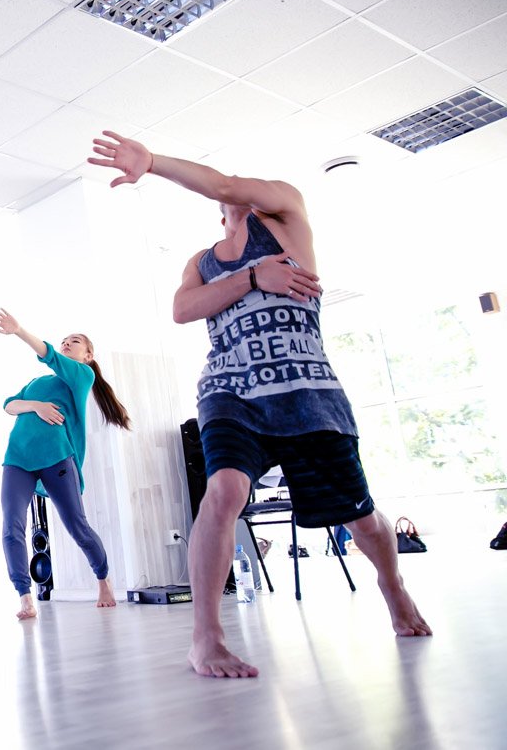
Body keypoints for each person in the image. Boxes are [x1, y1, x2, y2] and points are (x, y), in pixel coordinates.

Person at [89, 130, 431, 678]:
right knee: (224, 490)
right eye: (228, 195)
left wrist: (152, 162)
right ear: (216, 212)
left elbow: (225, 183)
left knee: (361, 517)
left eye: (243, 189)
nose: (237, 194)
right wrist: (252, 277)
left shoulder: (286, 216)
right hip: (230, 391)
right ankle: (206, 639)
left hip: (308, 392)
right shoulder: (202, 261)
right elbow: (183, 309)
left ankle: (394, 588)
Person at [0, 309, 124, 620]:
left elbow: (48, 354)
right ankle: (25, 596)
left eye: (74, 341)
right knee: (11, 526)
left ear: (87, 355)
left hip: (57, 458)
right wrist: (35, 405)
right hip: (17, 459)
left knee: (77, 527)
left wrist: (19, 330)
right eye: (64, 340)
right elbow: (9, 405)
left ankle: (103, 579)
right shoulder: (38, 381)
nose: (66, 343)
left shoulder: (82, 376)